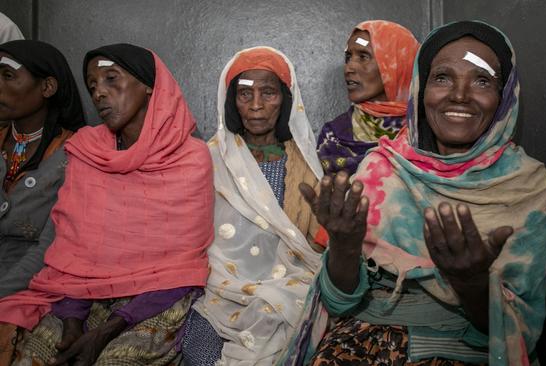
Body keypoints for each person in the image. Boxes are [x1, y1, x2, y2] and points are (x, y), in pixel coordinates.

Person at [286, 21, 546, 366]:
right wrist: (344, 244)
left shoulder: (525, 185)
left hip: (457, 349)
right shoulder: (382, 168)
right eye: (442, 77)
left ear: (504, 97)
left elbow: (521, 331)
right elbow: (339, 302)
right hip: (359, 339)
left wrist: (470, 283)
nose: (459, 94)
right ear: (419, 89)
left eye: (482, 80)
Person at [0, 43, 214, 366]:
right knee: (36, 357)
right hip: (81, 296)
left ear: (148, 86)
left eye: (112, 79)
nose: (99, 92)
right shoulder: (86, 150)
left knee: (117, 361)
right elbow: (73, 252)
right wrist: (72, 322)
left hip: (156, 299)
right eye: (93, 85)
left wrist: (104, 332)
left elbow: (181, 269)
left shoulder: (190, 158)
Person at [184, 46, 324, 365]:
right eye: (245, 94)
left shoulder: (305, 164)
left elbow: (315, 246)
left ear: (285, 99)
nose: (257, 105)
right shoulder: (212, 159)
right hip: (219, 289)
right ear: (231, 100)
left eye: (268, 93)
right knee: (197, 353)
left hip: (290, 288)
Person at [0, 40, 85, 297]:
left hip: (30, 284)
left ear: (47, 87)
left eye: (7, 75)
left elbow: (49, 248)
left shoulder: (76, 153)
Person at [316, 20, 419, 175]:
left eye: (363, 57)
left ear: (397, 64)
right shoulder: (334, 135)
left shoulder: (426, 131)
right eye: (348, 57)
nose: (349, 68)